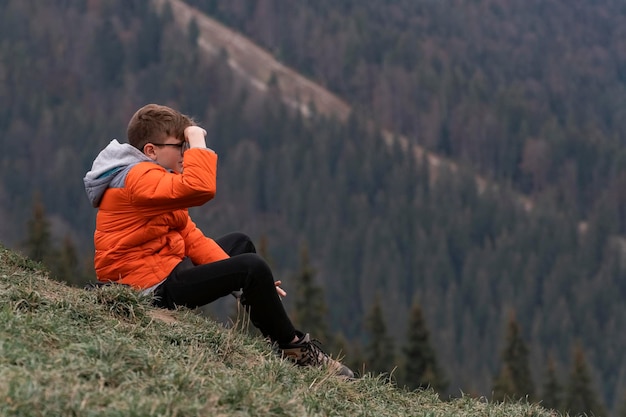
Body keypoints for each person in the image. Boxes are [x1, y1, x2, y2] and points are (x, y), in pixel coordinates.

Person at [83, 103, 353, 378]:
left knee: (240, 245)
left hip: (162, 271)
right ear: (151, 151)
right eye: (180, 146)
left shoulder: (152, 177)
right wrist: (198, 138)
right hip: (147, 289)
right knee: (251, 267)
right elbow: (200, 187)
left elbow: (189, 236)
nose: (185, 154)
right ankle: (293, 349)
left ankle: (275, 327)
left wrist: (254, 287)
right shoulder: (138, 178)